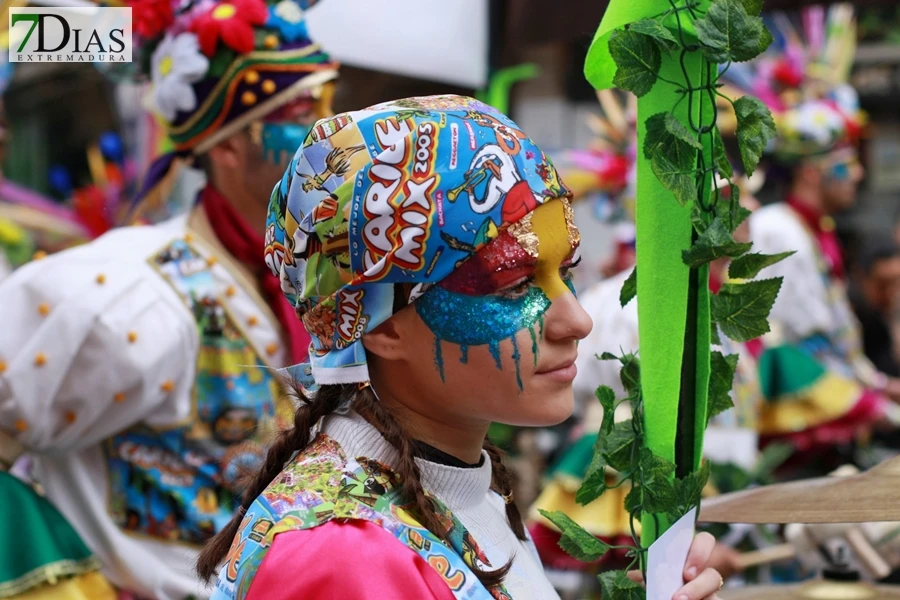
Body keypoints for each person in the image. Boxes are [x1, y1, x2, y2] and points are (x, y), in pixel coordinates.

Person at [196, 96, 727, 600]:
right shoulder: (345, 556)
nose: (578, 321)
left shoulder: (457, 483)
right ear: (379, 325)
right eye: (515, 285)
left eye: (566, 273)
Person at [0, 0, 338, 597]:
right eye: (305, 112)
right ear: (230, 145)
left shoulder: (317, 272)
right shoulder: (131, 291)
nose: (336, 133)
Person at [849, 238, 900, 377]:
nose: (890, 294)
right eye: (882, 285)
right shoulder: (848, 318)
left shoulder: (885, 315)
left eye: (896, 283)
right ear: (860, 276)